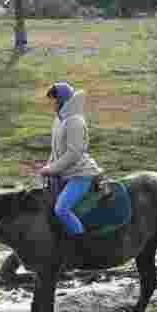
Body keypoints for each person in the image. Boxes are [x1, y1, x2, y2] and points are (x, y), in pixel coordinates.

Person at [39, 82, 103, 239]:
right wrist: (48, 167)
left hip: (80, 174)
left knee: (62, 208)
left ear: (61, 100)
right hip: (64, 173)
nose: (51, 104)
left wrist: (52, 169)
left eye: (53, 100)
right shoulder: (58, 120)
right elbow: (56, 152)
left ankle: (82, 244)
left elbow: (74, 153)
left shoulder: (75, 121)